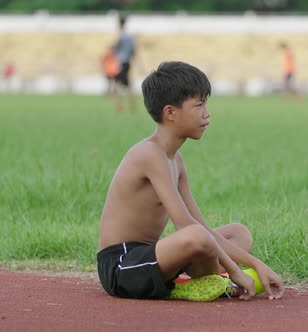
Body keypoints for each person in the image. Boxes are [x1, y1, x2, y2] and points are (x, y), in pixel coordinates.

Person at [96, 61, 285, 302]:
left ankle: (195, 281)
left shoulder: (176, 160)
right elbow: (186, 225)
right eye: (199, 105)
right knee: (196, 236)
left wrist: (257, 264)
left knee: (238, 233)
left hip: (153, 256)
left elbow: (199, 224)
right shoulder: (149, 154)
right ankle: (212, 281)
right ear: (170, 113)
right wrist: (237, 270)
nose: (207, 113)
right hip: (122, 267)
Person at [113, 15, 136, 113]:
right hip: (127, 62)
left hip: (120, 62)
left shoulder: (121, 35)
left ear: (119, 24)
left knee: (118, 84)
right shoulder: (130, 36)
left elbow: (116, 48)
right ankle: (132, 106)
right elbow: (133, 50)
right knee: (129, 84)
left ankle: (120, 107)